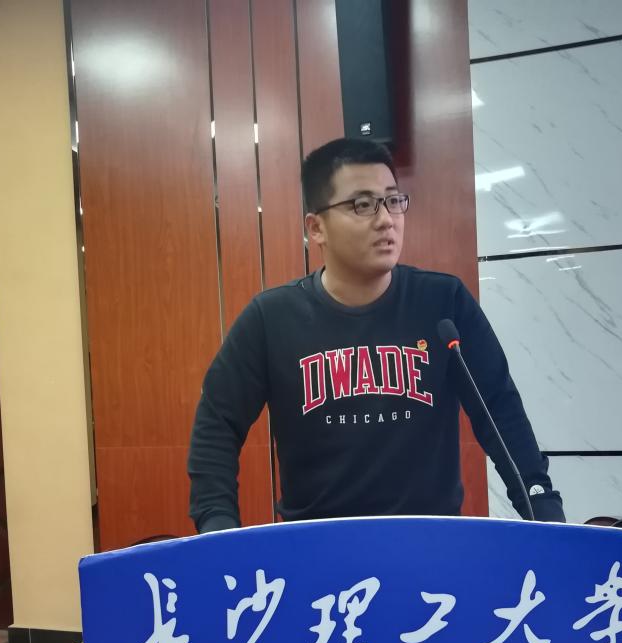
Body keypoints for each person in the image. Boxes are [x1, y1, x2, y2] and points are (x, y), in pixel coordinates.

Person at [188, 138, 564, 533]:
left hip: (430, 542)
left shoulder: (443, 303)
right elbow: (218, 423)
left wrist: (542, 508)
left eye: (393, 201)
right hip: (317, 548)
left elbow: (499, 409)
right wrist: (217, 526)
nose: (386, 219)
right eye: (362, 205)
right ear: (316, 228)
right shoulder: (272, 318)